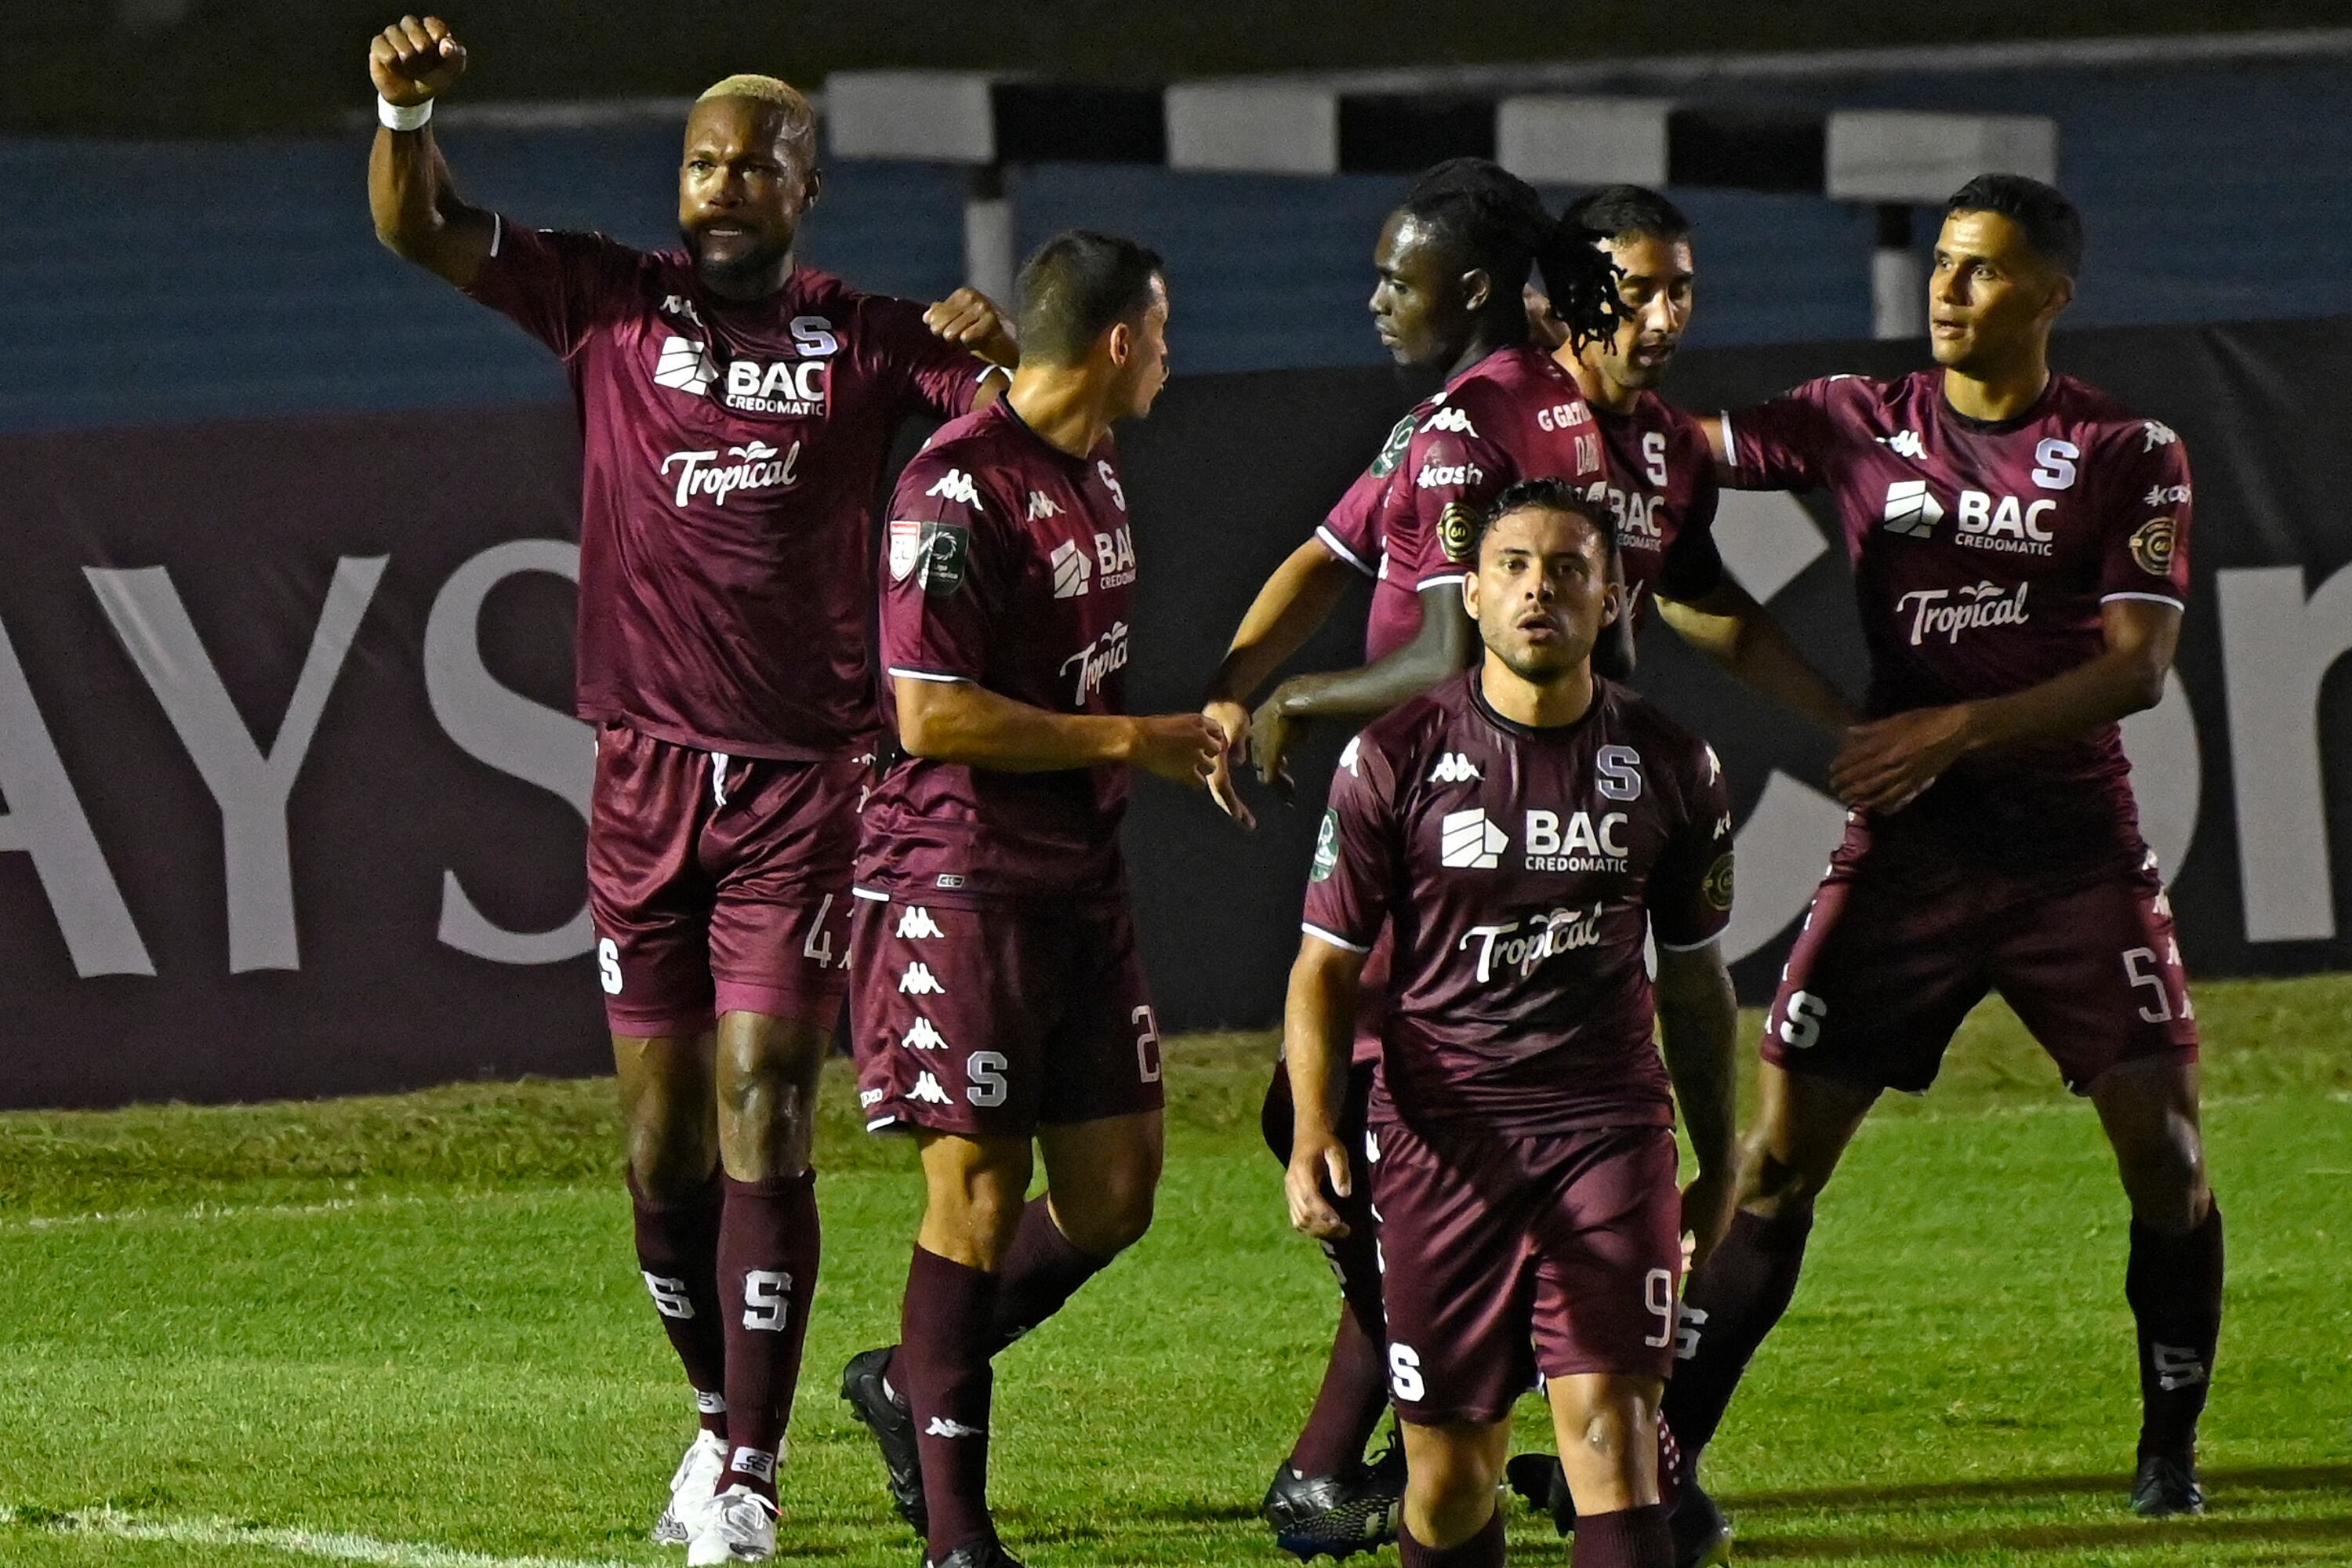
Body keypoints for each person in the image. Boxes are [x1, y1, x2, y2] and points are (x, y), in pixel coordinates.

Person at [365, 18, 1014, 1563]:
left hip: (802, 784)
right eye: (704, 162)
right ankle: (718, 1417)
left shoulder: (864, 338)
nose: (724, 185)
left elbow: (1014, 412)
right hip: (644, 782)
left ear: (806, 190)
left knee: (766, 1101)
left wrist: (1002, 349)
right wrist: (401, 110)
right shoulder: (605, 298)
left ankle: (756, 1473)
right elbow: (420, 226)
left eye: (756, 166)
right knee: (660, 1152)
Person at [1662, 172, 2217, 1542]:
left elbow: (2139, 669)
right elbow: (1670, 448)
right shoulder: (1858, 418)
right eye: (1943, 265)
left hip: (2075, 859)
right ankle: (1659, 1458)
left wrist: (1951, 727)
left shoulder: (2127, 450)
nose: (1948, 292)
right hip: (1909, 861)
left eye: (1982, 269)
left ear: (2052, 294)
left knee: (2167, 1156)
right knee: (1774, 1168)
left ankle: (2169, 1452)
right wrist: (1551, 397)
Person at [1197, 157, 1623, 1560]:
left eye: (1401, 276)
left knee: (1346, 1121)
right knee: (1402, 1125)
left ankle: (1442, 1422)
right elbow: (1327, 556)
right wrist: (1228, 684)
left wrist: (1291, 700)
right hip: (1538, 807)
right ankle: (1355, 1456)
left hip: (1450, 818)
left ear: (1476, 285)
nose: (1377, 298)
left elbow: (1443, 654)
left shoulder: (1465, 429)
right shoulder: (1542, 401)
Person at [837, 231, 1223, 1568]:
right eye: (1160, 333)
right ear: (1118, 342)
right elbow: (931, 715)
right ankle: (959, 1539)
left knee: (1114, 1196)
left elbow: (1027, 378)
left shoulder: (1090, 456)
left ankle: (909, 1378)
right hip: (961, 879)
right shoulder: (953, 493)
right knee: (979, 1191)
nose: (1171, 356)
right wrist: (1133, 740)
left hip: (1077, 878)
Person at [1286, 477, 1742, 1568]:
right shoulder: (1392, 758)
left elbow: (1693, 982)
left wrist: (1721, 1157)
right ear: (1474, 595)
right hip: (1442, 1144)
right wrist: (1312, 1129)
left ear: (1613, 598)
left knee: (1614, 1440)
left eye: (1570, 570)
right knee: (1450, 1481)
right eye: (1515, 568)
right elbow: (1322, 971)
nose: (1541, 589)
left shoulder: (1674, 765)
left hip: (1607, 1131)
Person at [1504, 185, 1853, 1559]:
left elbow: (1701, 591)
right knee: (1441, 1160)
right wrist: (1278, 696)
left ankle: (1619, 1454)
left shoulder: (1655, 443)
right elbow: (1389, 585)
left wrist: (1839, 722)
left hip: (1607, 813)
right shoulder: (1490, 421)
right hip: (1471, 838)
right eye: (1636, 289)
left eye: (1681, 288)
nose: (1663, 316)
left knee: (1636, 1086)